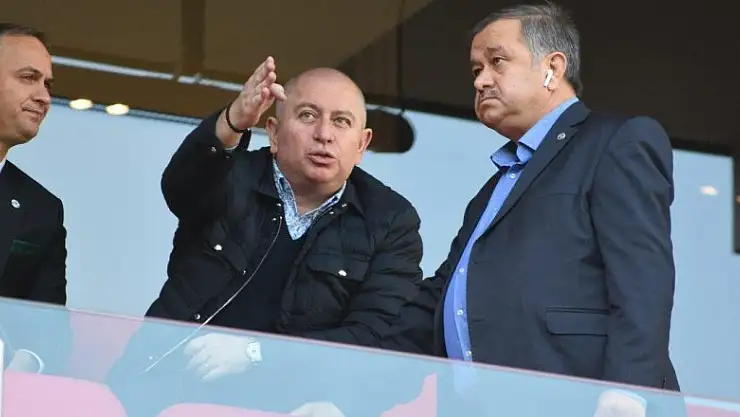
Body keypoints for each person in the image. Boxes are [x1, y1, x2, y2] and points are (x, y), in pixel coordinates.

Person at [363, 3, 684, 416]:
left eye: (497, 61)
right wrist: (343, 396)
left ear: (552, 67)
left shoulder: (614, 142)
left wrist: (628, 392)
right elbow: (437, 303)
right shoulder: (492, 190)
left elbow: (642, 278)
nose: (480, 80)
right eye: (476, 69)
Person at [107, 59, 423, 416]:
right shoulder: (230, 176)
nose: (324, 134)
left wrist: (255, 352)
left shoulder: (390, 220)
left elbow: (376, 338)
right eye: (307, 116)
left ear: (362, 144)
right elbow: (181, 188)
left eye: (341, 121)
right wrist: (233, 121)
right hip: (164, 395)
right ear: (273, 132)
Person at [0, 22, 68, 375]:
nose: (44, 97)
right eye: (29, 78)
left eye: (47, 84)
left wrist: (22, 364)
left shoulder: (42, 210)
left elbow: (50, 332)